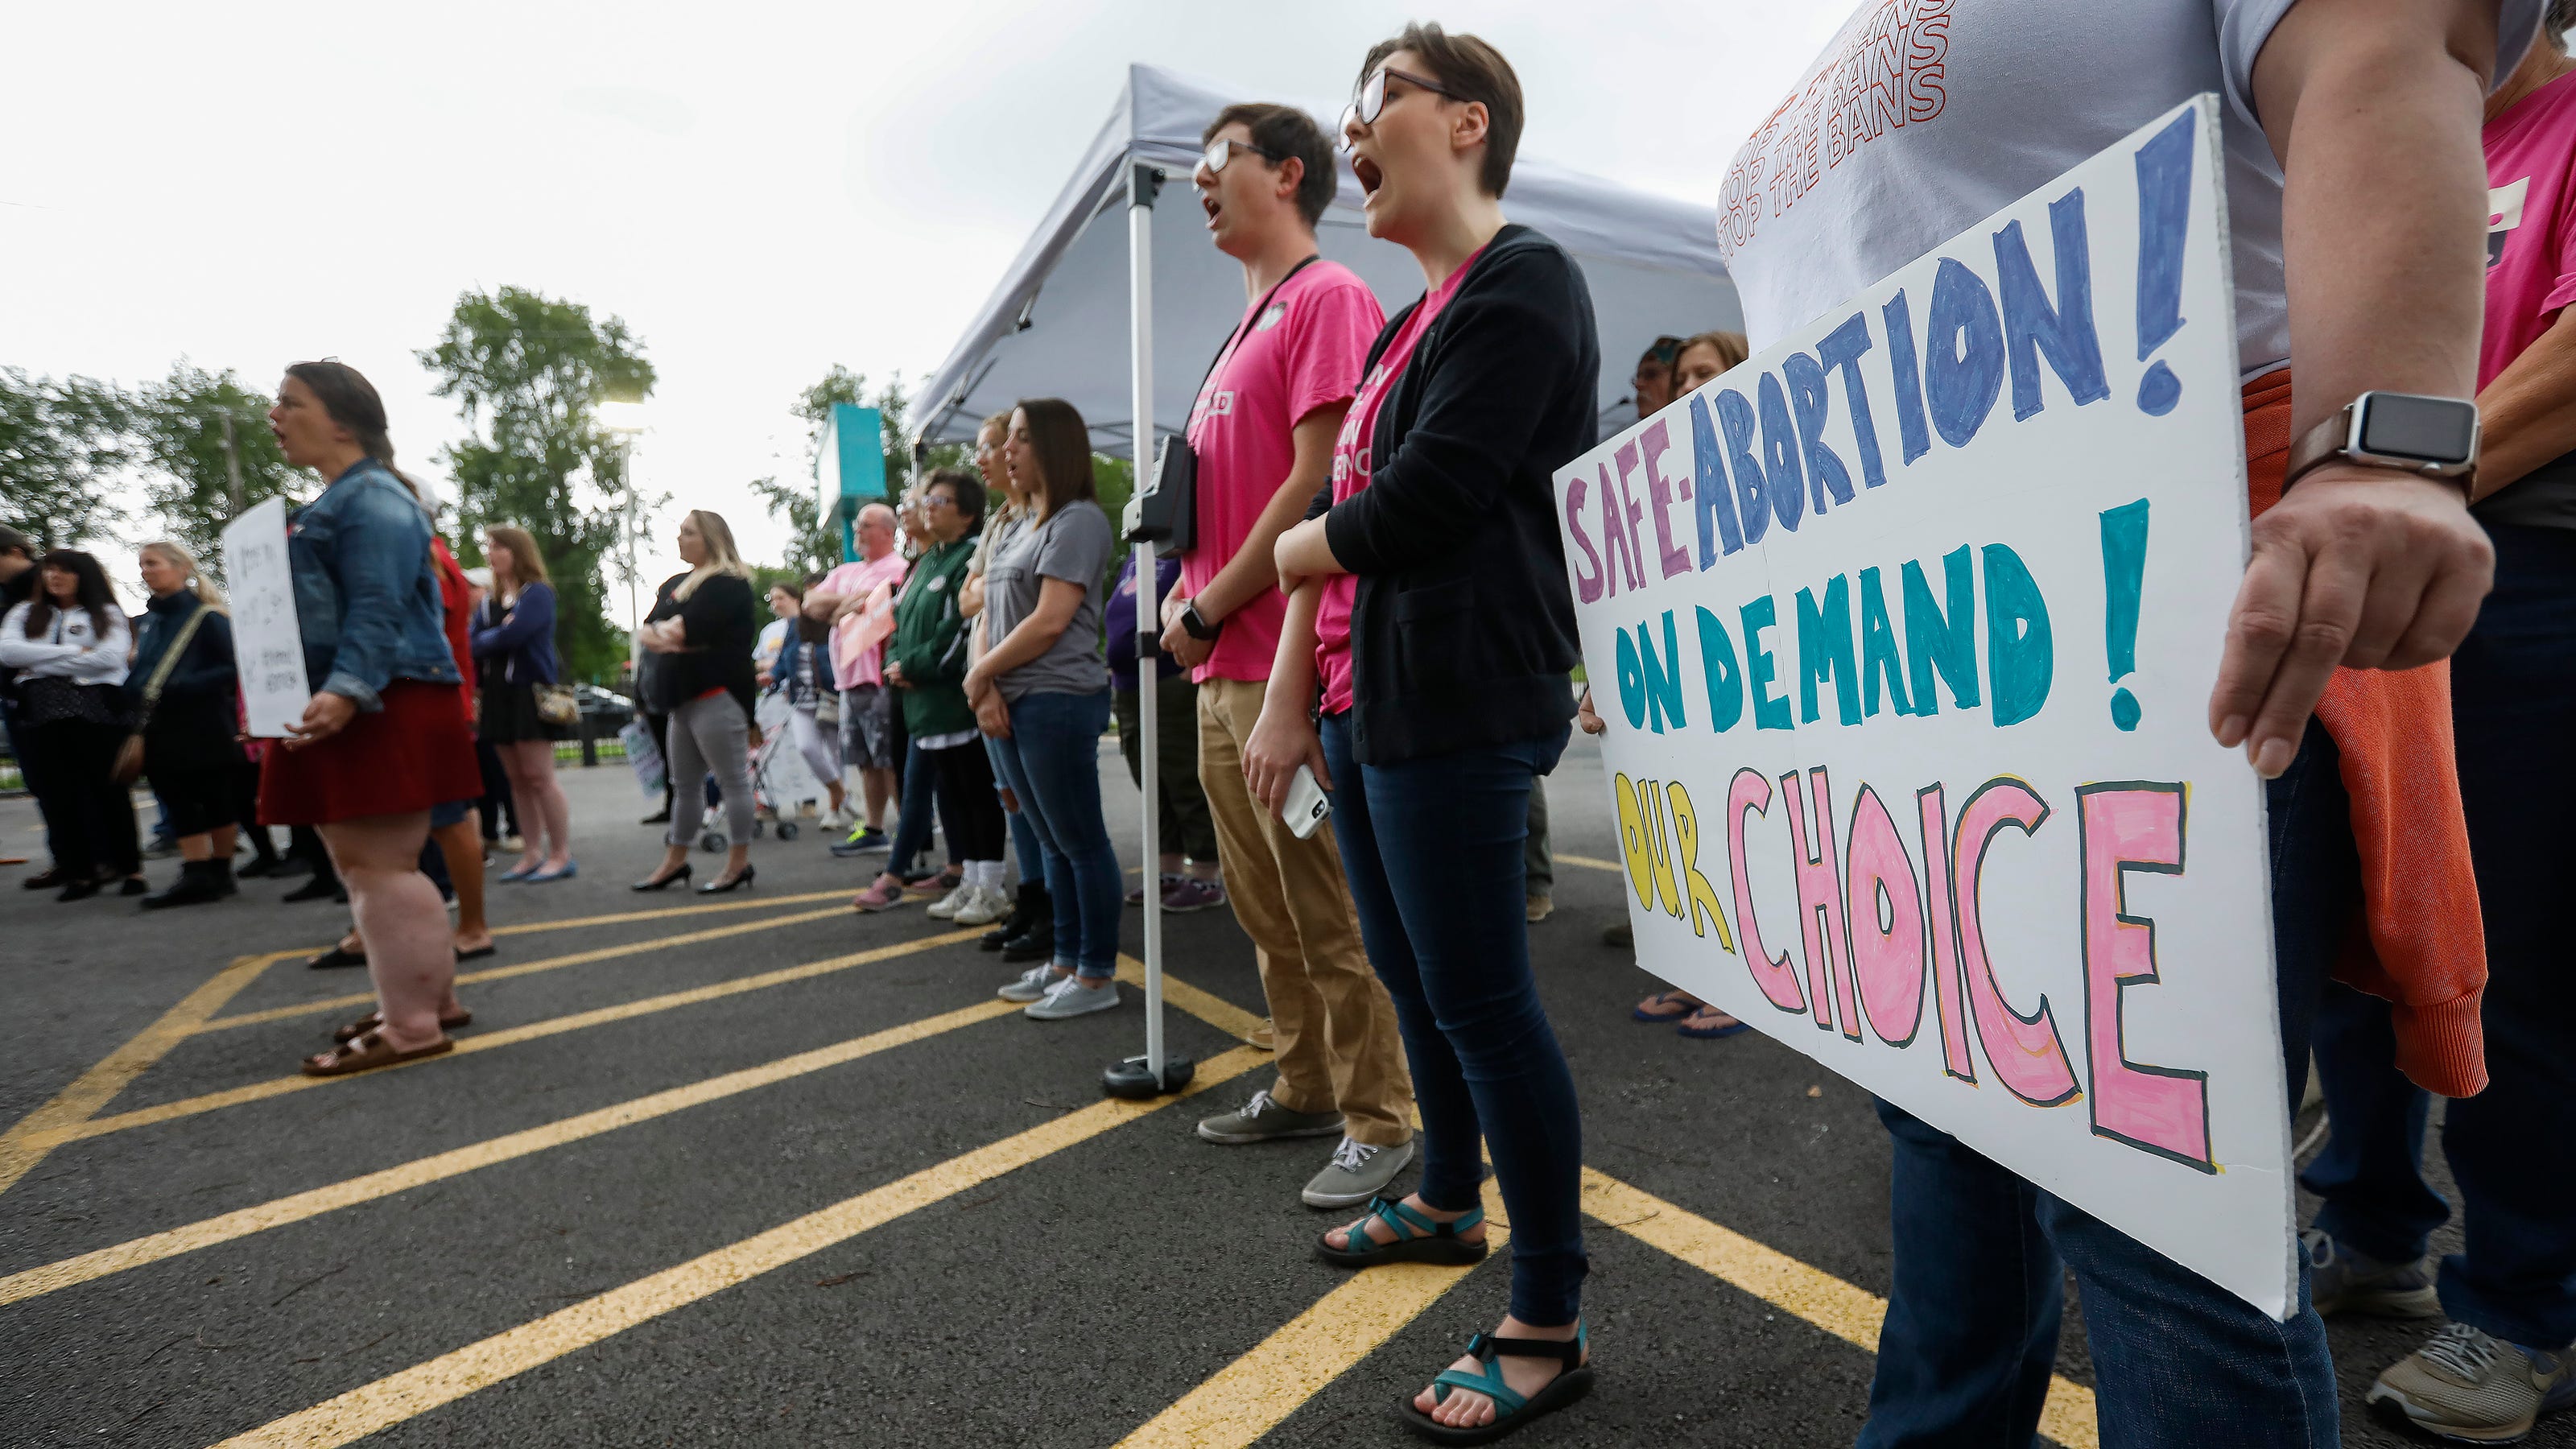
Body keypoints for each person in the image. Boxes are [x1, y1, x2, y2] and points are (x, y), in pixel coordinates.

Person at [1712, 2, 2537, 1445]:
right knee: (1948, 1146)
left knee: (2157, 1233)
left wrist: (2385, 440)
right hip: (1909, 667)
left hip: (2136, 619)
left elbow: (2383, 43)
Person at [1262, 27, 1598, 1438]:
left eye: (1377, 99)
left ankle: (1550, 1316)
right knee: (1414, 983)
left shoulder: (1525, 282)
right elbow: (1355, 532)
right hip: (1365, 701)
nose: (1354, 128)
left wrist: (1286, 553)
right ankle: (1448, 1200)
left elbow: (1431, 501)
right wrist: (1291, 682)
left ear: (1465, 123)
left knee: (1481, 1004)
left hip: (1462, 695)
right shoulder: (1410, 320)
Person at [2299, 6, 2576, 1439]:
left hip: (2525, 565)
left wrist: (2406, 474)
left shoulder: (2566, 121)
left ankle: (2518, 1317)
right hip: (2386, 558)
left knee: (2513, 963)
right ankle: (2378, 1228)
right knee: (2364, 925)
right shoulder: (2396, 131)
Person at [1157, 97, 1418, 1209]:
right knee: (1265, 906)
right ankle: (1306, 1081)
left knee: (1327, 907)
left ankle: (1382, 1117)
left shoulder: (1327, 298)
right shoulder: (1246, 326)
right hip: (1223, 662)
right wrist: (1190, 600)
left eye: (1221, 162)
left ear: (1289, 172)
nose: (1201, 182)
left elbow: (1318, 486)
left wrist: (1210, 605)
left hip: (1279, 663)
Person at [258, 361, 480, 1076]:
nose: (275, 415)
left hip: (383, 697)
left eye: (290, 403)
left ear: (343, 422)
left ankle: (411, 1024)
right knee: (379, 864)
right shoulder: (362, 496)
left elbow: (378, 607)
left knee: (377, 868)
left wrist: (348, 690)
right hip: (386, 693)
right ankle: (426, 1003)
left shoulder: (370, 499)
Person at [972, 399, 1125, 1020]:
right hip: (1014, 698)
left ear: (1056, 447)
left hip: (1056, 699)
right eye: (1007, 439)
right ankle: (1066, 961)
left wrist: (981, 674)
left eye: (1021, 439)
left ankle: (1095, 976)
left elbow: (1052, 618)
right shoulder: (1019, 523)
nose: (1008, 450)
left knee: (1080, 841)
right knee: (1052, 842)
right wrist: (984, 684)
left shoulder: (1079, 521)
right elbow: (985, 611)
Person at [857, 469, 1010, 921]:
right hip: (924, 705)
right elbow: (901, 623)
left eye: (940, 502)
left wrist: (917, 665)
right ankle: (969, 881)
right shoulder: (925, 563)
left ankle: (991, 886)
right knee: (953, 796)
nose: (928, 508)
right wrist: (897, 661)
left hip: (951, 699)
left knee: (976, 792)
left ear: (966, 515)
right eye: (929, 501)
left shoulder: (967, 557)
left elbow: (961, 630)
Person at [961, 411, 1055, 964]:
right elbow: (968, 599)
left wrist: (988, 594)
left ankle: (1051, 913)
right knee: (1014, 802)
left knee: (1045, 814)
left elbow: (1004, 604)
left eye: (994, 446)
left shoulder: (1045, 517)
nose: (987, 458)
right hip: (987, 675)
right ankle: (1032, 902)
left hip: (1019, 679)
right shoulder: (1001, 520)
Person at [631, 510, 759, 894]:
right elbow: (647, 632)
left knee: (733, 781)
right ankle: (675, 861)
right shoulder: (676, 583)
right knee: (683, 785)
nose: (680, 539)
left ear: (711, 539)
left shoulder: (728, 584)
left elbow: (684, 630)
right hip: (682, 698)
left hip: (718, 695)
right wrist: (672, 635)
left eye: (688, 533)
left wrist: (674, 635)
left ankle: (738, 864)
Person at [1, 548, 140, 901]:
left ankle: (130, 868)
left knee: (108, 791)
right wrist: (77, 655)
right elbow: (9, 654)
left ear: (84, 576)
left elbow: (110, 659)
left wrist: (41, 664)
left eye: (64, 571)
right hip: (44, 713)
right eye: (49, 571)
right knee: (61, 794)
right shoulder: (25, 613)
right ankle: (81, 872)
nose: (54, 577)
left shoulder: (106, 613)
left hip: (97, 713)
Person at [126, 542, 250, 909]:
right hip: (161, 724)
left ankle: (221, 870)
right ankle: (196, 872)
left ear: (182, 568)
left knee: (214, 797)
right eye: (142, 565)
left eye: (153, 563)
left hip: (202, 721)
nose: (146, 571)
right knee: (175, 796)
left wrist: (184, 685)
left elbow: (232, 667)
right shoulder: (148, 621)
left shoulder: (207, 617)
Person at [1110, 548, 1224, 911]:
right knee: (1151, 781)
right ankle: (1168, 871)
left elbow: (1201, 593)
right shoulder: (1137, 552)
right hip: (1131, 685)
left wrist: (1188, 672)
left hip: (1168, 680)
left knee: (1184, 777)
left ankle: (1206, 875)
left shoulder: (1181, 544)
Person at [473, 525, 575, 882]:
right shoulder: (489, 601)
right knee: (515, 779)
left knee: (539, 777)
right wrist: (498, 635)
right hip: (499, 697)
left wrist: (494, 636)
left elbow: (518, 634)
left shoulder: (538, 594)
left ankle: (561, 854)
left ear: (518, 551)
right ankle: (532, 853)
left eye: (499, 547)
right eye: (489, 547)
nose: (491, 553)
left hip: (529, 694)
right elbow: (474, 644)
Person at [806, 501, 908, 852]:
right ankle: (875, 829)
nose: (857, 532)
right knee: (866, 760)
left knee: (890, 758)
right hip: (849, 680)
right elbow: (810, 605)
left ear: (888, 532)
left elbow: (885, 610)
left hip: (879, 677)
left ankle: (909, 831)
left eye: (865, 525)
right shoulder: (846, 572)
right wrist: (850, 603)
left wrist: (836, 607)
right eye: (858, 526)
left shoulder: (899, 567)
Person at [762, 579, 849, 827]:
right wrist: (774, 676)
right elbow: (782, 660)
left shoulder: (834, 623)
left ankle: (833, 809)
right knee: (807, 748)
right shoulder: (794, 625)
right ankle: (839, 792)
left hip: (830, 697)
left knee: (834, 754)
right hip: (801, 699)